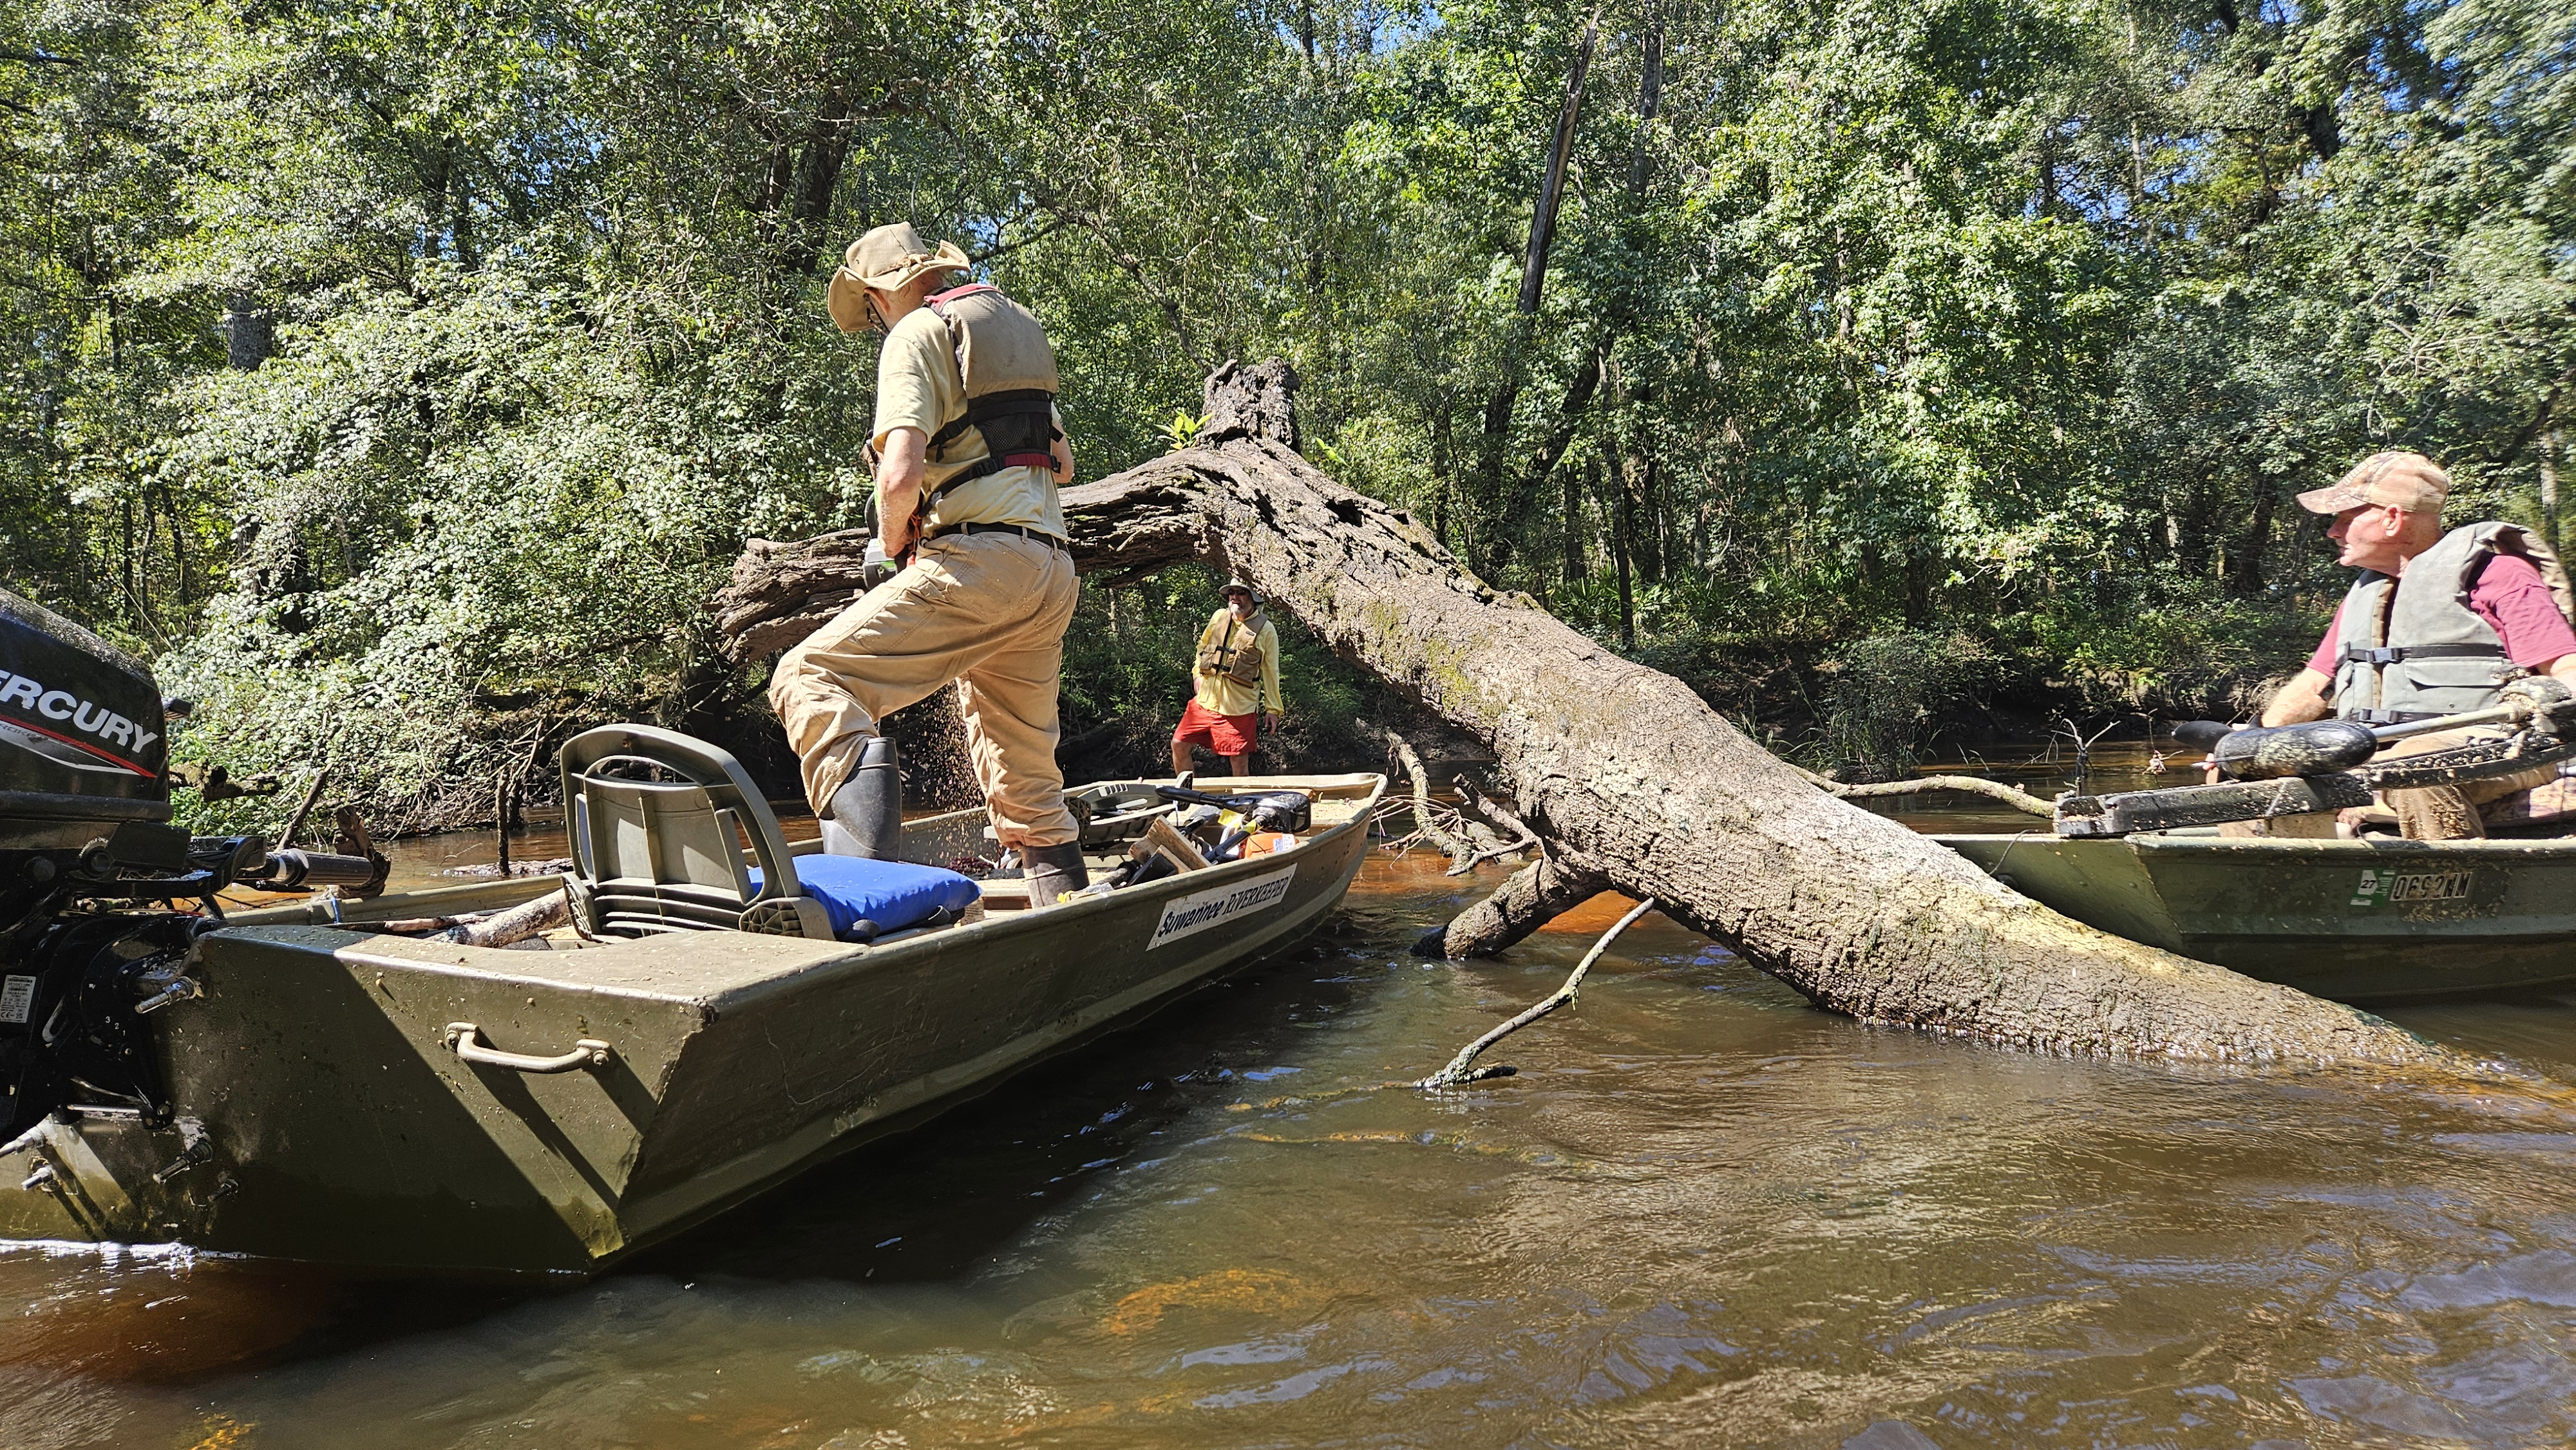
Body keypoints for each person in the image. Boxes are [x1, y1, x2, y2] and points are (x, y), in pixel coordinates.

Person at [768, 222, 1092, 903]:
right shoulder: (1001, 331)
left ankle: (866, 907)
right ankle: (1065, 912)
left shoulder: (915, 334)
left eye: (870, 307)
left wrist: (889, 547)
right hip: (1049, 568)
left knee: (811, 675)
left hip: (981, 563)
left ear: (880, 294)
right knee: (1023, 770)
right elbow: (1060, 464)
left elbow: (899, 475)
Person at [2259, 450, 2576, 839]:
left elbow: (2565, 667)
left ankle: (2449, 893)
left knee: (2416, 764)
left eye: (2345, 518)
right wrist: (2254, 740)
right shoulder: (2367, 593)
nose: (2333, 532)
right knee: (2252, 771)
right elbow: (2313, 685)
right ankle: (2269, 888)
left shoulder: (2500, 575)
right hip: (2374, 749)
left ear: (2392, 518)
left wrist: (2554, 696)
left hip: (2506, 750)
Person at [1170, 578, 1283, 778]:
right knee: (1179, 744)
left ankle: (1241, 806)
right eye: (1232, 593)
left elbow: (1271, 671)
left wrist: (1273, 709)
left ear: (1254, 598)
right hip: (1205, 702)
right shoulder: (1219, 617)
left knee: (1239, 765)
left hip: (1238, 708)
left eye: (1241, 593)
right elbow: (1202, 648)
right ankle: (1187, 799)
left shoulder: (1267, 631)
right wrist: (1197, 673)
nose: (1235, 597)